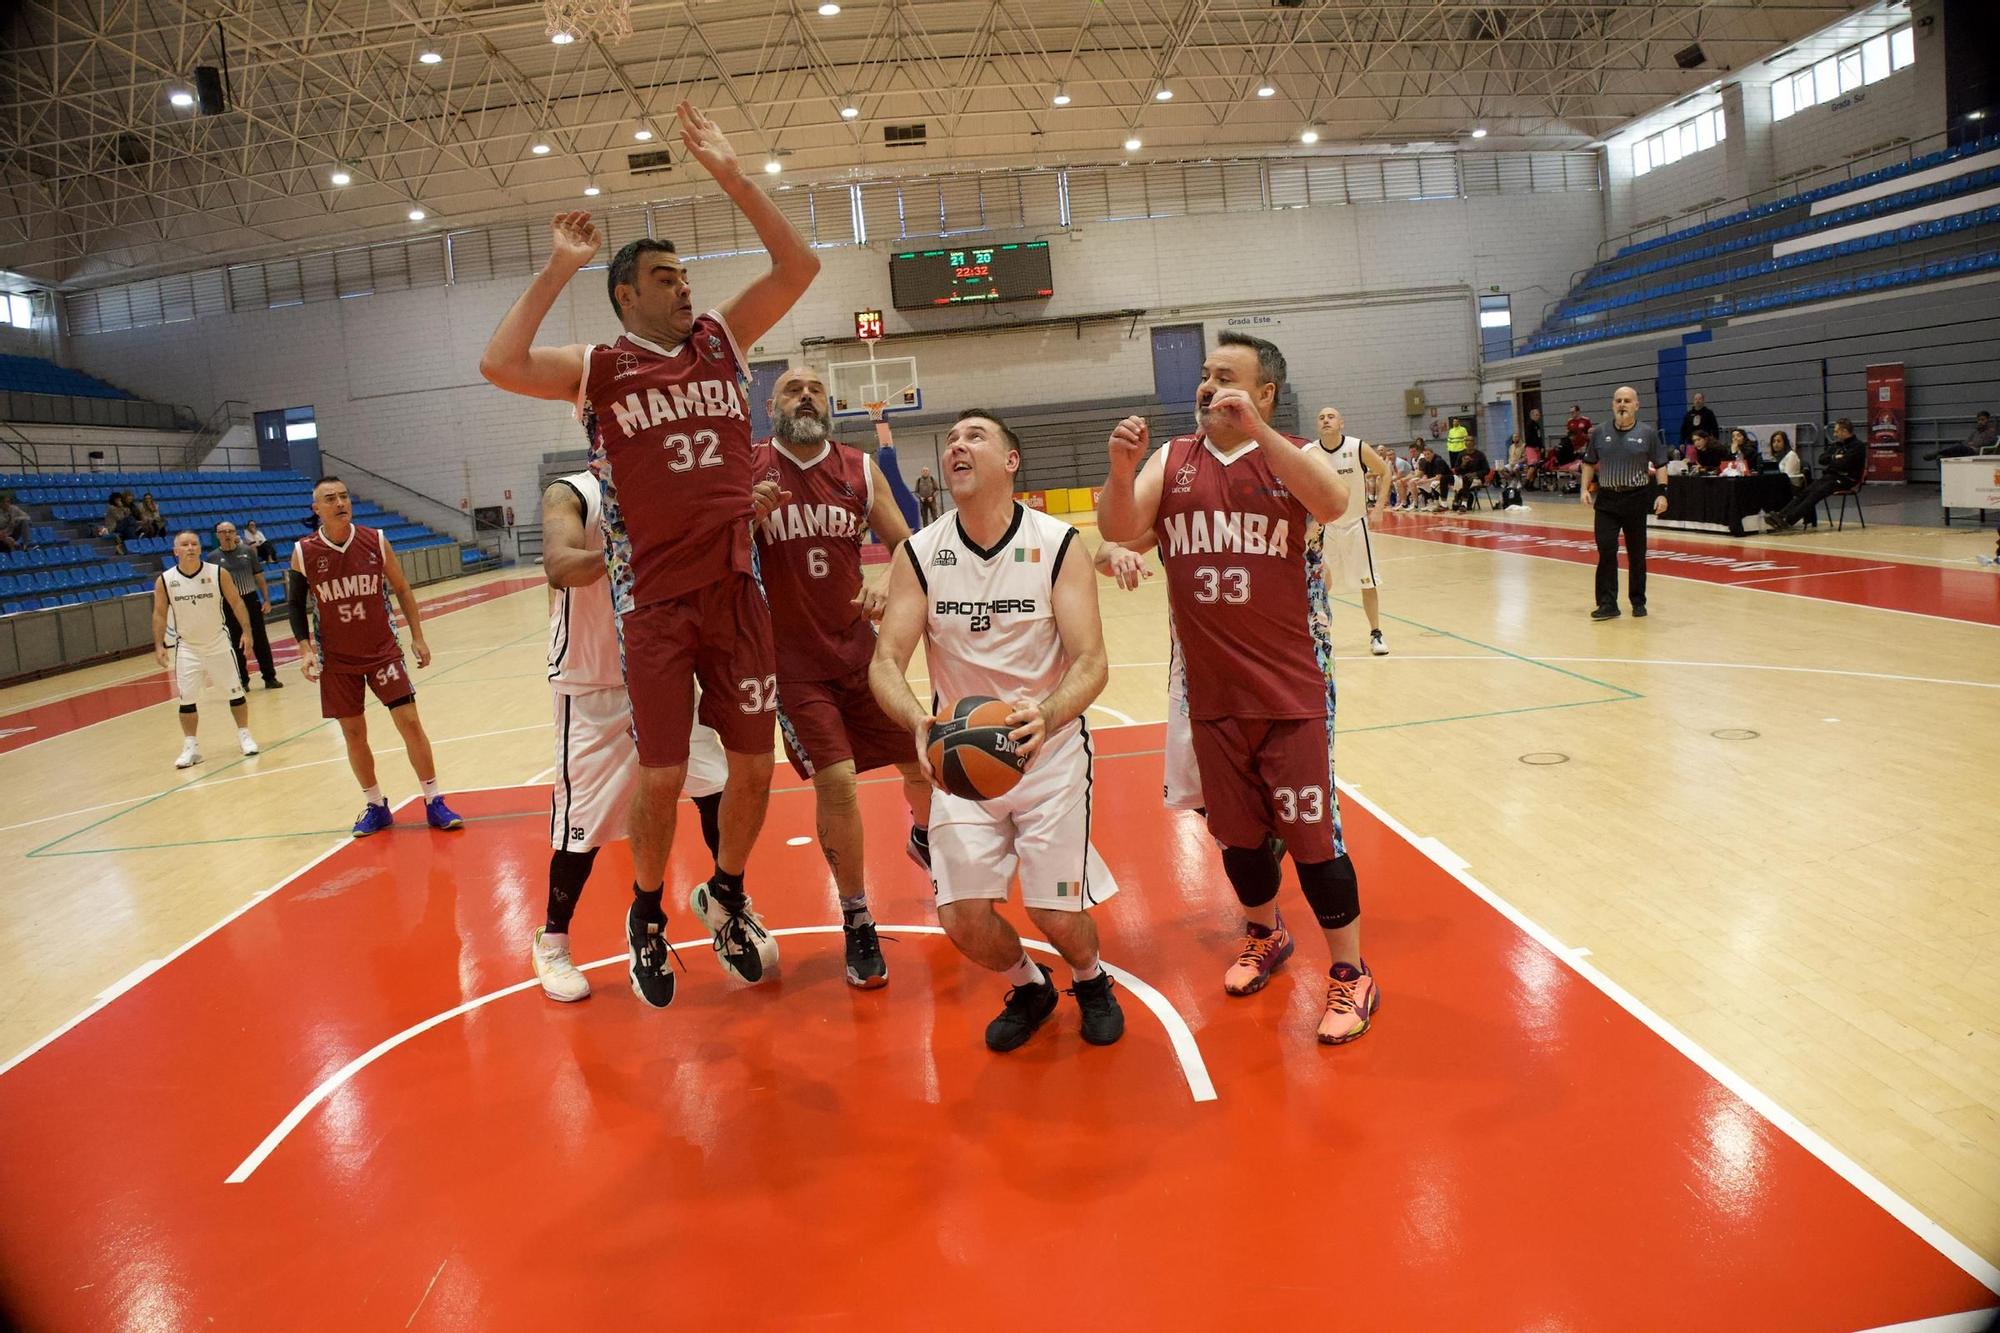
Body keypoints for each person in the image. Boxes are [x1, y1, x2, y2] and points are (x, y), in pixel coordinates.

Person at [478, 102, 819, 1003]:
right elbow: (500, 362)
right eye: (666, 277)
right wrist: (560, 266)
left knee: (754, 765)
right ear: (628, 293)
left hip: (737, 589)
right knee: (662, 773)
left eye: (683, 276)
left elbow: (800, 266)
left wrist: (732, 175)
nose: (684, 288)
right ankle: (644, 916)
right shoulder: (599, 368)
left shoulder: (720, 341)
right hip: (656, 602)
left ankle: (731, 893)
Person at [1098, 331, 1380, 1047]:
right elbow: (1122, 528)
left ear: (1264, 393)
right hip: (1211, 690)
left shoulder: (1291, 457)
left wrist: (1254, 433)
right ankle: (1265, 931)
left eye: (1226, 377)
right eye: (1204, 374)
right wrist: (1121, 468)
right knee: (1238, 838)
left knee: (1315, 841)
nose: (1208, 386)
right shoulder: (1174, 459)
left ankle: (1351, 974)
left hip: (1290, 688)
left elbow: (1336, 501)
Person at [870, 409, 1125, 1052]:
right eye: (952, 439)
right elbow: (885, 662)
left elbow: (1092, 662)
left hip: (1050, 756)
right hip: (961, 763)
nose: (957, 444)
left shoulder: (1059, 543)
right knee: (961, 919)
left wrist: (1047, 713)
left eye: (975, 436)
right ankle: (1030, 986)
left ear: (1011, 461)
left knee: (1055, 913)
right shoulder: (920, 554)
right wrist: (918, 721)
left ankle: (1090, 979)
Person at [751, 365, 931, 990]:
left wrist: (887, 577)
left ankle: (926, 836)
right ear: (770, 405)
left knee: (921, 759)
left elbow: (906, 544)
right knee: (838, 786)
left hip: (860, 653)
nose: (806, 397)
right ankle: (857, 918)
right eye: (793, 391)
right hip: (793, 666)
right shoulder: (749, 469)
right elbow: (714, 554)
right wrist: (745, 518)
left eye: (816, 390)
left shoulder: (858, 467)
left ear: (830, 404)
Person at [531, 466, 731, 1004]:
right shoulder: (571, 492)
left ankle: (727, 902)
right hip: (592, 680)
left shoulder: (671, 485)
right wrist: (628, 555)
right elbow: (559, 564)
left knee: (716, 785)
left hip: (663, 668)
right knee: (583, 826)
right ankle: (552, 940)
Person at [287, 476, 464, 835]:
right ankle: (376, 804)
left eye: (344, 496)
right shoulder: (304, 551)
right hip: (337, 660)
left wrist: (417, 636)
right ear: (316, 509)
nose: (340, 503)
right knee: (353, 733)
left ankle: (433, 800)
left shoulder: (375, 540)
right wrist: (305, 648)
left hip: (382, 652)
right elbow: (293, 604)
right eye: (330, 499)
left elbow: (401, 588)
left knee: (410, 723)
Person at [152, 529, 260, 768]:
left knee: (235, 692)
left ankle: (244, 735)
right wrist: (159, 644)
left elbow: (236, 602)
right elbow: (159, 614)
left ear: (200, 548)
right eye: (185, 544)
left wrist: (247, 632)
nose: (190, 548)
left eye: (194, 544)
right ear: (175, 551)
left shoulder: (218, 573)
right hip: (188, 647)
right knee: (187, 699)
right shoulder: (165, 580)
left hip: (218, 643)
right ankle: (191, 746)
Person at [1582, 385, 1672, 621]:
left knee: (1636, 554)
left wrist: (1662, 493)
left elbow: (1661, 464)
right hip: (1607, 500)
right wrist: (1584, 488)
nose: (1622, 404)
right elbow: (1589, 462)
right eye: (1618, 400)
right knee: (1606, 550)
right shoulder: (1600, 433)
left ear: (1636, 406)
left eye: (1627, 401)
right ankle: (1607, 604)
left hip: (1635, 498)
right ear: (1612, 405)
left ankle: (1638, 601)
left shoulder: (1647, 433)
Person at [1309, 407, 1392, 654]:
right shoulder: (1311, 452)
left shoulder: (1357, 447)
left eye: (1331, 416)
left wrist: (1379, 507)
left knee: (1368, 582)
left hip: (1356, 523)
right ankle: (1317, 633)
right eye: (1321, 417)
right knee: (1321, 583)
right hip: (1326, 526)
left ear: (1341, 423)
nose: (1326, 420)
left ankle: (1376, 633)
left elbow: (1385, 471)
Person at [213, 521, 282, 690]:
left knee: (260, 640)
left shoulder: (248, 552)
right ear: (217, 535)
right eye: (223, 532)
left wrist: (266, 599)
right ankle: (242, 681)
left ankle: (269, 677)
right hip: (228, 604)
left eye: (230, 531)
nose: (227, 534)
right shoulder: (212, 558)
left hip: (250, 600)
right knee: (235, 642)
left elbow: (259, 577)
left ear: (236, 533)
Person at [1767, 419, 1865, 532]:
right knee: (1805, 491)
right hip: (1830, 476)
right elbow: (1822, 459)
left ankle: (1789, 520)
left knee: (1816, 494)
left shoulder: (1858, 446)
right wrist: (1834, 457)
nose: (1834, 434)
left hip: (1846, 479)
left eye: (1836, 431)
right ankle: (1780, 515)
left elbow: (1845, 464)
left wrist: (1834, 460)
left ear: (1844, 431)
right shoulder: (1837, 445)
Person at [1927, 411, 1996, 461]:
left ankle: (1938, 452)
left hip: (1977, 451)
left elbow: (1983, 443)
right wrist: (1971, 444)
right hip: (1969, 449)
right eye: (1979, 420)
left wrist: (1972, 444)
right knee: (1941, 457)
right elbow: (1967, 441)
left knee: (1959, 447)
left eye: (1982, 419)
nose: (1980, 422)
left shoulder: (1990, 431)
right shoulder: (1976, 431)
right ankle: (1939, 454)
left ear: (1988, 419)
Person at [1451, 439, 1491, 511]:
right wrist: (1463, 464)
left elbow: (1486, 470)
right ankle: (1443, 503)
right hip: (1462, 478)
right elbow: (1456, 470)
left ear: (1474, 444)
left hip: (1477, 478)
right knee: (1447, 478)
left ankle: (1464, 504)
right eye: (1467, 442)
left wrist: (1475, 474)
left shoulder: (1480, 455)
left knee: (1467, 478)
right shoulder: (1461, 454)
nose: (1468, 443)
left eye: (1470, 442)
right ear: (1465, 444)